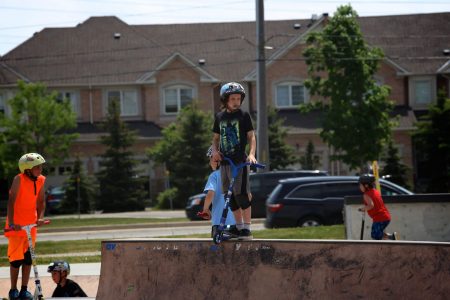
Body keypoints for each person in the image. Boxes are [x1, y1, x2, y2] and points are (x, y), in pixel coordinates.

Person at [211, 82, 257, 240]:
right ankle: (238, 228)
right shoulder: (219, 117)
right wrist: (215, 152)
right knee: (229, 197)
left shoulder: (243, 116)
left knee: (242, 194)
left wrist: (251, 154)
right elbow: (215, 139)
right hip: (225, 163)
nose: (236, 101)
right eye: (233, 99)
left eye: (239, 98)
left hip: (240, 162)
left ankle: (247, 229)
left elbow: (251, 137)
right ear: (225, 100)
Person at [5, 153, 46, 300]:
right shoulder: (18, 179)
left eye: (41, 166)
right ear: (27, 169)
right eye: (37, 167)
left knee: (29, 258)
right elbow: (10, 202)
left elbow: (41, 202)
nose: (40, 170)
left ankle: (24, 290)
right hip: (16, 226)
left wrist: (40, 217)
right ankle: (13, 290)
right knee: (16, 260)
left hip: (31, 225)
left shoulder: (40, 180)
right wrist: (11, 223)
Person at [200, 146, 237, 238]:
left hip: (219, 223)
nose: (209, 162)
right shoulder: (234, 175)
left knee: (217, 249)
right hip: (236, 224)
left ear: (217, 160)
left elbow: (210, 193)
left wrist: (205, 209)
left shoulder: (214, 176)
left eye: (210, 159)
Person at [358, 174, 397, 240]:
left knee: (375, 235)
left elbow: (371, 205)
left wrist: (363, 209)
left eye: (360, 185)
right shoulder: (375, 191)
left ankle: (380, 248)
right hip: (385, 216)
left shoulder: (366, 195)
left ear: (366, 185)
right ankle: (391, 237)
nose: (360, 187)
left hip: (379, 218)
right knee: (377, 233)